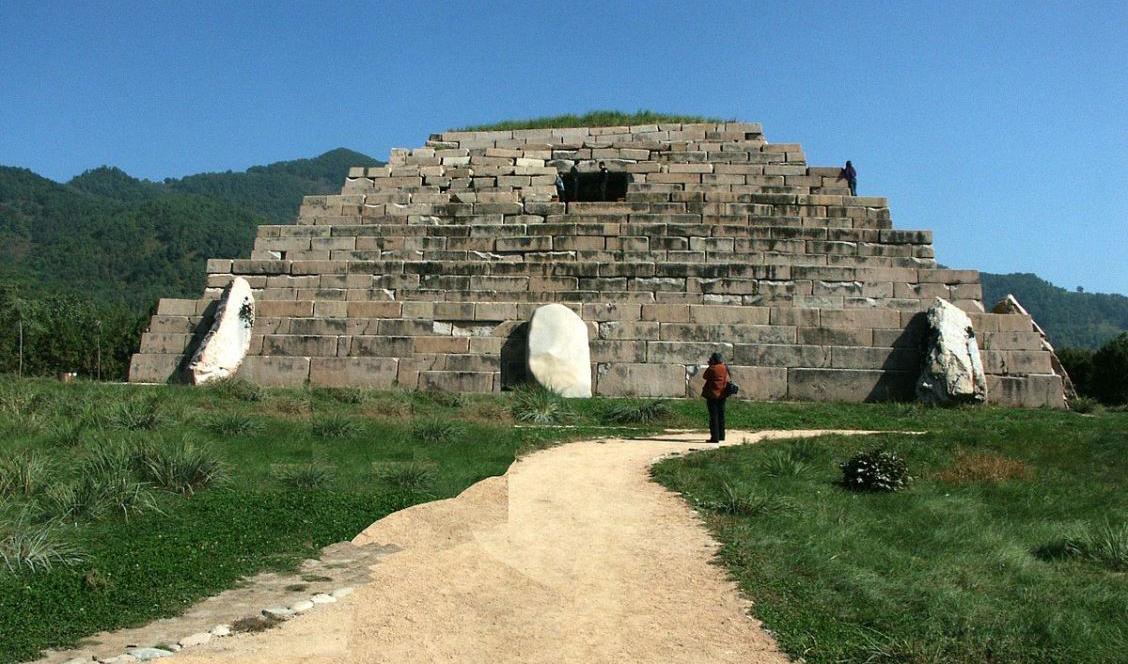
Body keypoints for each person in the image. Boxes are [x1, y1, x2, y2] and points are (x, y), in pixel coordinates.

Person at [701, 352, 730, 443]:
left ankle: (715, 437)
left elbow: (705, 376)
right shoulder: (724, 367)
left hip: (713, 395)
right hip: (722, 394)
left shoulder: (713, 368)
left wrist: (710, 365)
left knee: (714, 416)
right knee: (721, 415)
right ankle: (721, 435)